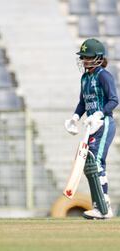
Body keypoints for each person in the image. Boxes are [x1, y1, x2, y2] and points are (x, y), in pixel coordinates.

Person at [65, 38, 118, 219]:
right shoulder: (85, 77)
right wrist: (75, 117)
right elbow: (83, 102)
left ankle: (104, 207)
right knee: (90, 165)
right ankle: (100, 206)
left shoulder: (104, 75)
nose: (85, 60)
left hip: (104, 124)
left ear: (98, 57)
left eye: (88, 57)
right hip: (91, 126)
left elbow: (114, 100)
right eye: (83, 57)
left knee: (95, 163)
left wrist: (99, 114)